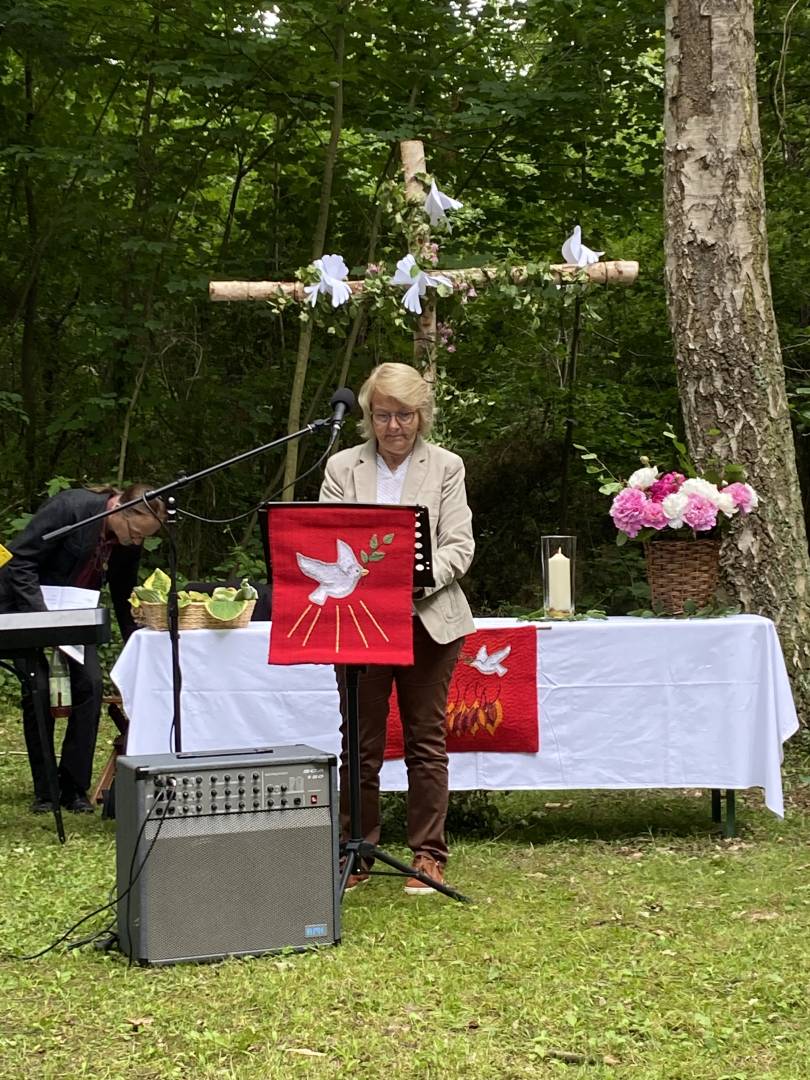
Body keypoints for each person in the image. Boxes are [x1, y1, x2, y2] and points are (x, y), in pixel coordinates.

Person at [320, 362, 475, 893]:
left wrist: (421, 581)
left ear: (422, 416)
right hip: (359, 622)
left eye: (405, 415)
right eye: (383, 415)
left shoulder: (446, 466)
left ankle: (429, 855)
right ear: (368, 416)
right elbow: (324, 539)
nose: (394, 426)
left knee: (424, 740)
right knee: (359, 742)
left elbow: (460, 544)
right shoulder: (342, 467)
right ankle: (355, 851)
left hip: (427, 620)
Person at [0, 483, 165, 813]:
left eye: (143, 537)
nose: (136, 541)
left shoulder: (128, 539)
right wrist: (41, 619)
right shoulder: (71, 509)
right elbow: (19, 561)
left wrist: (137, 637)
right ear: (119, 510)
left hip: (75, 614)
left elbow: (122, 591)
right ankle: (46, 791)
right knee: (40, 686)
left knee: (89, 685)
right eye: (135, 532)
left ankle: (74, 787)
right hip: (25, 608)